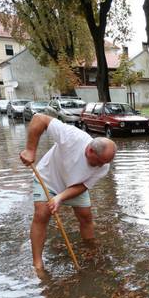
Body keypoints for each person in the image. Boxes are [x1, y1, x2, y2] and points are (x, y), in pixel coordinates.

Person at [19, 111, 117, 276]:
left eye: (105, 163)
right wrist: (30, 150)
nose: (102, 166)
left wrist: (60, 197)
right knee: (42, 214)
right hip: (48, 179)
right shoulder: (72, 136)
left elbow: (83, 186)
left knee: (85, 216)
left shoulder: (104, 166)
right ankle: (37, 263)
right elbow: (39, 118)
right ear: (90, 151)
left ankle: (90, 249)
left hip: (75, 185)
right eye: (100, 162)